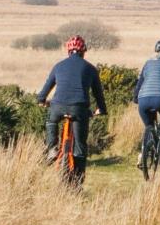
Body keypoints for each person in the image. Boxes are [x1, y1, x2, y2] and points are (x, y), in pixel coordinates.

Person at [36, 34, 107, 169]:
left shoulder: (58, 66)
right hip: (79, 109)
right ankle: (78, 180)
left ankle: (52, 148)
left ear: (68, 51)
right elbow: (98, 93)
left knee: (51, 121)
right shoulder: (90, 68)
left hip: (58, 107)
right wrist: (101, 109)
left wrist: (42, 100)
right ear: (83, 51)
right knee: (80, 145)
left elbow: (45, 89)